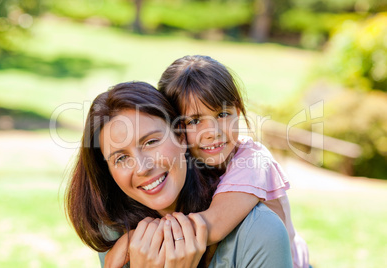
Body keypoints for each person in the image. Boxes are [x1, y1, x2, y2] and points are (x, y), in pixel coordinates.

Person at [65, 81, 293, 267]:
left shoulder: (260, 233)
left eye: (151, 141)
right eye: (121, 158)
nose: (142, 167)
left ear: (181, 137)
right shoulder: (114, 225)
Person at [158, 55, 310, 268]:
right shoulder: (184, 162)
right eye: (194, 120)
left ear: (237, 112)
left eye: (222, 114)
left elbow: (213, 226)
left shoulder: (253, 162)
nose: (213, 132)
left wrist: (131, 241)